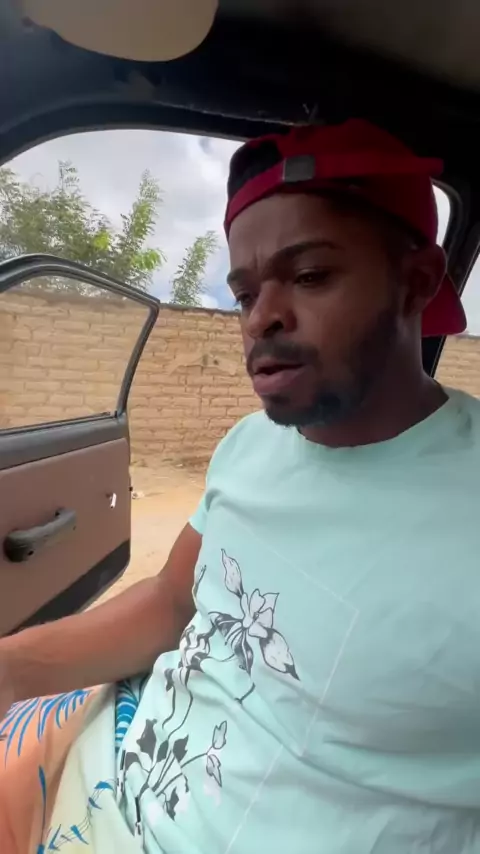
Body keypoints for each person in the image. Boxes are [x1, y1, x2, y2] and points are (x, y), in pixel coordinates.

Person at [1, 118, 479, 853]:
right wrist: (10, 669)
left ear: (416, 281)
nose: (262, 318)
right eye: (245, 292)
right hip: (98, 764)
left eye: (310, 275)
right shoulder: (250, 445)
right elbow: (173, 602)